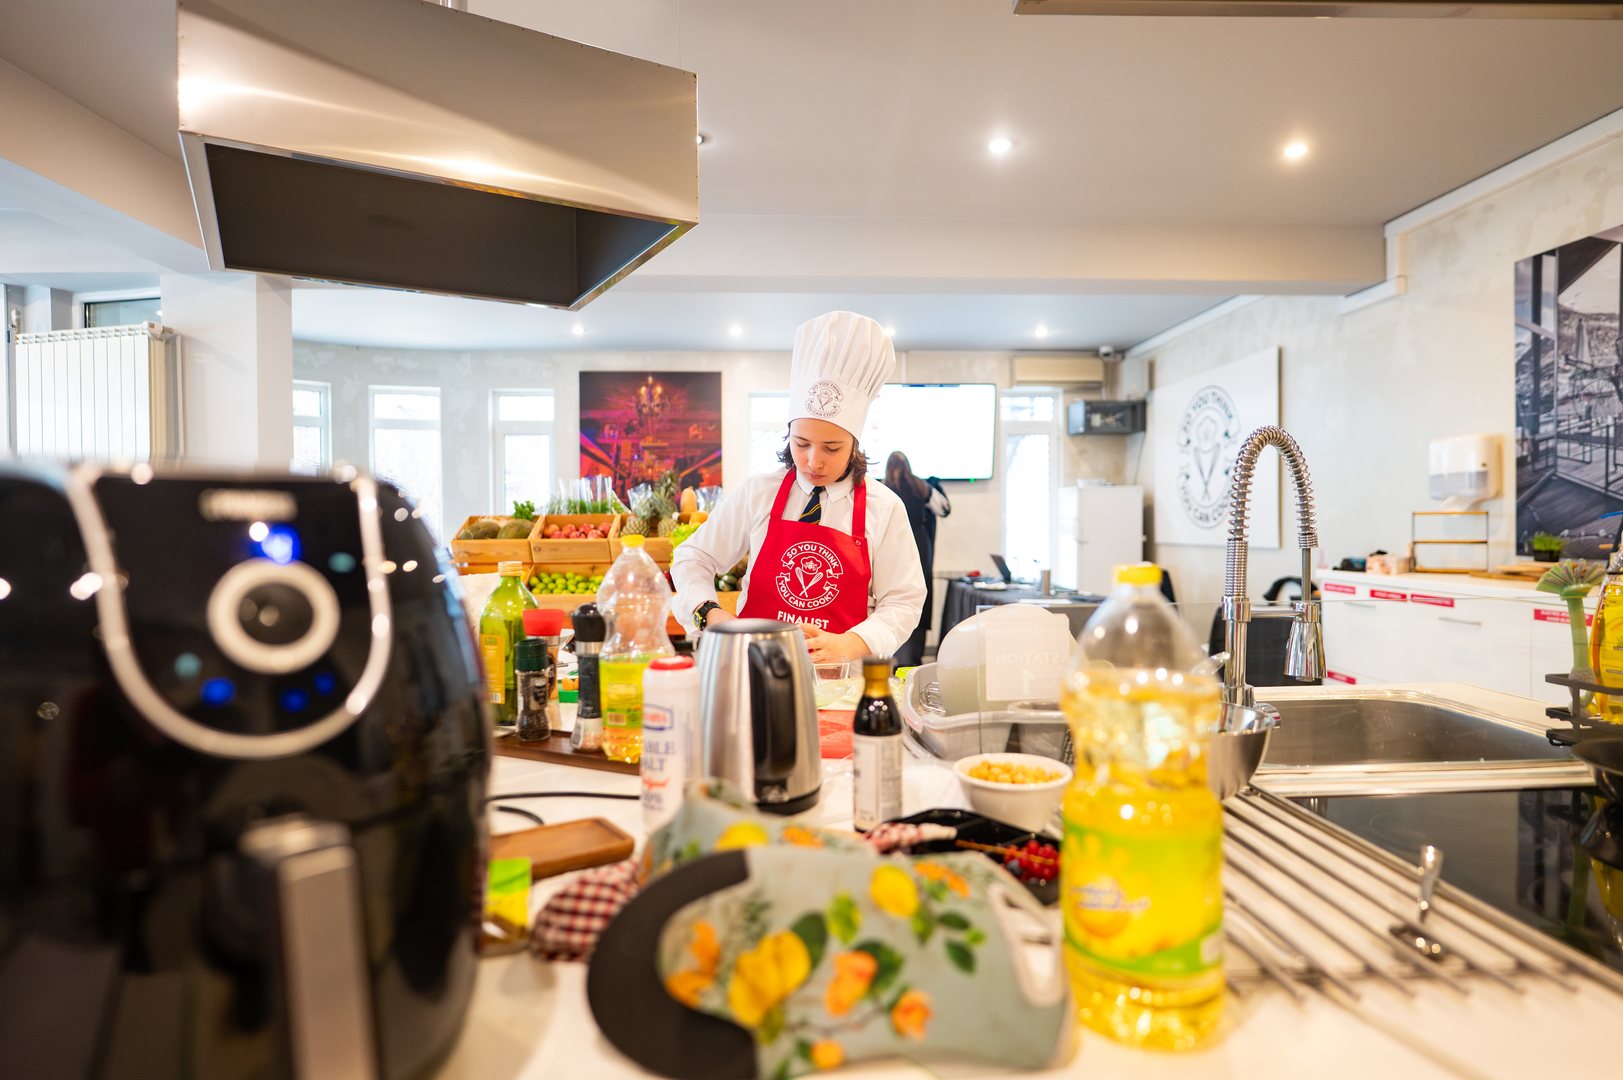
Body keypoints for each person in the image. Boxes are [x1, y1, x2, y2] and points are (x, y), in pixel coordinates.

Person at [671, 311, 927, 664]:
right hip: (751, 669)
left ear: (854, 444)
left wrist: (851, 643)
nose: (813, 461)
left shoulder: (884, 508)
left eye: (832, 448)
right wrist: (709, 614)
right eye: (801, 443)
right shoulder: (758, 492)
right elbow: (692, 557)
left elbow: (903, 601)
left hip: (840, 679)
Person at [883, 451, 950, 666]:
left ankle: (893, 653)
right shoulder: (921, 487)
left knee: (890, 593)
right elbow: (944, 508)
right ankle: (914, 656)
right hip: (920, 545)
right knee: (919, 594)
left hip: (892, 545)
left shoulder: (883, 489)